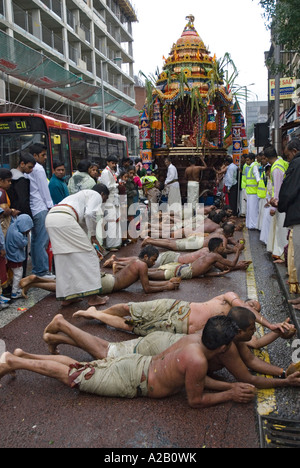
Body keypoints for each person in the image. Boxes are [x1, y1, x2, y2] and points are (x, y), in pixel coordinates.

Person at [0, 316, 257, 408]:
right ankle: (13, 362)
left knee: (81, 369)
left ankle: (24, 356)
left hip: (136, 365)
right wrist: (230, 393)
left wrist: (226, 387)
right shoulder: (198, 360)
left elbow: (197, 381)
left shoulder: (193, 340)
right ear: (222, 347)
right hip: (133, 377)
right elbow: (195, 400)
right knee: (73, 375)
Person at [42, 311, 299, 390]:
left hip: (162, 343)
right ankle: (63, 324)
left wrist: (280, 372)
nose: (254, 333)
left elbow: (252, 361)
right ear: (240, 331)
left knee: (107, 351)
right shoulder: (229, 343)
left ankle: (59, 335)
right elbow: (248, 374)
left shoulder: (230, 332)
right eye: (252, 329)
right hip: (159, 347)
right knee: (106, 352)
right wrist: (286, 381)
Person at [73, 290, 289, 337]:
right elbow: (244, 306)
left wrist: (277, 331)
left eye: (256, 307)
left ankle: (95, 315)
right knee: (128, 308)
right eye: (252, 302)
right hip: (175, 308)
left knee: (129, 326)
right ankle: (97, 310)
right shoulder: (229, 296)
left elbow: (252, 343)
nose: (252, 304)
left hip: (178, 328)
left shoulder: (236, 324)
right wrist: (270, 325)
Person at [19, 245, 181, 298]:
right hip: (106, 283)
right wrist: (166, 286)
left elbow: (146, 282)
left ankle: (34, 281)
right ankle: (35, 282)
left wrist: (166, 282)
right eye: (153, 260)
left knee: (67, 284)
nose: (153, 264)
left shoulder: (137, 262)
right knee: (67, 288)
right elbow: (146, 288)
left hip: (106, 279)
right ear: (146, 256)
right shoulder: (142, 266)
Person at [45, 185, 109, 306]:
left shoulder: (77, 197)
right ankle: (93, 298)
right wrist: (94, 236)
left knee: (64, 258)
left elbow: (83, 224)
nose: (103, 201)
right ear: (102, 194)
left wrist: (89, 238)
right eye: (105, 198)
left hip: (51, 218)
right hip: (65, 218)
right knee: (90, 255)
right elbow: (90, 214)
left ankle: (67, 297)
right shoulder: (95, 195)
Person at [147, 238, 246, 281]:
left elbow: (205, 274)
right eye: (221, 247)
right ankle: (138, 272)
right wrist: (237, 250)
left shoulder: (210, 256)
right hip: (185, 270)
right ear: (216, 248)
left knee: (151, 271)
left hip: (183, 267)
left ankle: (139, 271)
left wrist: (221, 274)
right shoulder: (215, 256)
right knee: (149, 274)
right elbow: (232, 264)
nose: (224, 248)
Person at [278, 138, 300, 309]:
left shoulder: (297, 164)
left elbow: (288, 190)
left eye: (288, 156)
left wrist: (280, 205)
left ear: (294, 151)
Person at [28, 143, 54, 279]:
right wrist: (50, 206)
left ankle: (37, 269)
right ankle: (42, 271)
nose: (45, 158)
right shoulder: (38, 169)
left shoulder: (30, 168)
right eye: (43, 155)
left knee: (35, 241)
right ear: (35, 156)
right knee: (42, 241)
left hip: (34, 207)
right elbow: (44, 190)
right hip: (41, 207)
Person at [264, 144, 289, 260]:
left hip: (280, 203)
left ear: (267, 158)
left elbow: (277, 188)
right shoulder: (280, 162)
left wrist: (273, 207)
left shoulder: (276, 168)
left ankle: (282, 253)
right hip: (284, 200)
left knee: (281, 229)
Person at [5, 214, 33, 299]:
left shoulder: (12, 227)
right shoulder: (17, 234)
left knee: (14, 273)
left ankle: (14, 289)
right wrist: (25, 238)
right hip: (15, 257)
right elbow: (23, 243)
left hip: (11, 255)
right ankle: (15, 292)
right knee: (18, 273)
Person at [99, 155, 122, 251]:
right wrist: (117, 184)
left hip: (114, 199)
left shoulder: (112, 172)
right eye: (112, 163)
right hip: (109, 200)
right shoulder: (105, 172)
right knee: (111, 221)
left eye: (115, 163)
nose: (114, 165)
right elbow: (107, 186)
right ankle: (110, 244)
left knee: (116, 220)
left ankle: (116, 243)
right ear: (107, 162)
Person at [7, 152, 36, 217]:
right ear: (22, 164)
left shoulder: (11, 176)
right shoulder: (21, 180)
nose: (31, 170)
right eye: (30, 167)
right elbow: (23, 202)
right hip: (21, 215)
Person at [0, 168, 20, 237]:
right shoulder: (1, 192)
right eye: (8, 181)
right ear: (1, 180)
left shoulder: (4, 191)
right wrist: (12, 211)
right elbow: (4, 211)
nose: (10, 183)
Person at [245, 153, 260, 230]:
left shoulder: (254, 167)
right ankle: (250, 224)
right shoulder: (250, 167)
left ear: (252, 160)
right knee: (250, 209)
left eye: (248, 160)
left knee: (253, 210)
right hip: (250, 192)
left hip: (254, 192)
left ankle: (253, 225)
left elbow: (258, 179)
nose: (246, 162)